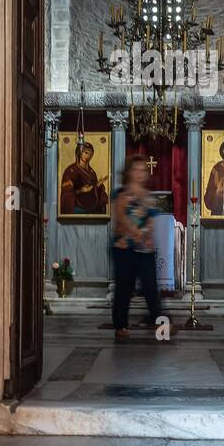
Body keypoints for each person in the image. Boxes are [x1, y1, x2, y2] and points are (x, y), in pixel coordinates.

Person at [110, 153, 166, 340]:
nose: (140, 173)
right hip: (124, 247)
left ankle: (160, 325)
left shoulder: (148, 196)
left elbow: (150, 219)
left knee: (151, 286)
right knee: (124, 287)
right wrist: (137, 233)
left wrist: (147, 234)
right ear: (129, 172)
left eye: (143, 169)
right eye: (136, 169)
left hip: (144, 249)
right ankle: (121, 325)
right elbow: (122, 218)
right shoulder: (122, 194)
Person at [59, 141, 108, 215]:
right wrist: (81, 190)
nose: (88, 156)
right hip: (77, 208)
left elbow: (94, 191)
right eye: (86, 153)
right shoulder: (71, 170)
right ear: (79, 152)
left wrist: (98, 185)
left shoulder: (92, 172)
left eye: (91, 154)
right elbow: (67, 193)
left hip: (92, 208)